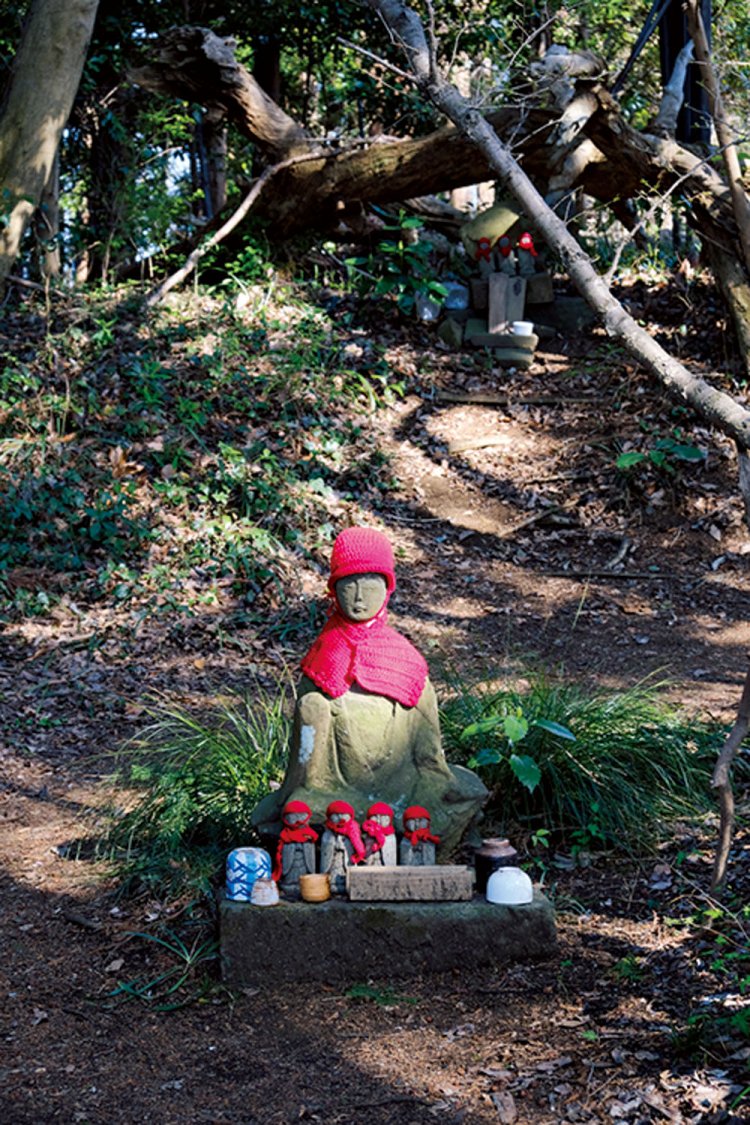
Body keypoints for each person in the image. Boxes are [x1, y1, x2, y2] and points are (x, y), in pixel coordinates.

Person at [252, 527, 486, 854]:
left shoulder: (407, 665)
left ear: (387, 589)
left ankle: (395, 825)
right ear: (334, 590)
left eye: (371, 585)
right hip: (331, 790)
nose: (360, 597)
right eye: (349, 585)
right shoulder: (322, 662)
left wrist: (425, 787)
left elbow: (429, 758)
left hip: (402, 788)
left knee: (444, 797)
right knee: (312, 712)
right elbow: (303, 766)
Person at [272, 799, 318, 896]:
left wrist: (305, 846)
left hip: (304, 865)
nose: (298, 820)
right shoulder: (285, 835)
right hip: (291, 865)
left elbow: (311, 853)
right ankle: (288, 885)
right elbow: (283, 852)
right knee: (290, 878)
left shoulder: (310, 836)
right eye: (294, 816)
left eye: (301, 816)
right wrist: (292, 847)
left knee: (305, 878)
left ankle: (305, 886)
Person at [362, 801, 397, 867]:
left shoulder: (391, 836)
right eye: (375, 817)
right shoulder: (368, 835)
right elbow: (367, 853)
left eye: (382, 817)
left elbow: (391, 856)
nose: (378, 821)